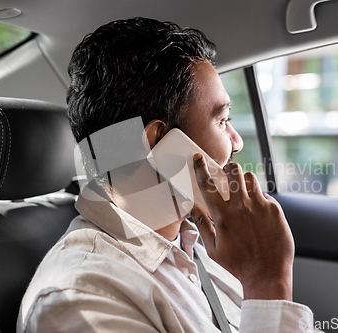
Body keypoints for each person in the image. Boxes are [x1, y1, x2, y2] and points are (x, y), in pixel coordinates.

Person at [17, 17, 314, 332]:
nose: (236, 142)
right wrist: (268, 284)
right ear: (160, 143)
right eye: (222, 120)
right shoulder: (81, 298)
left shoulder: (194, 246)